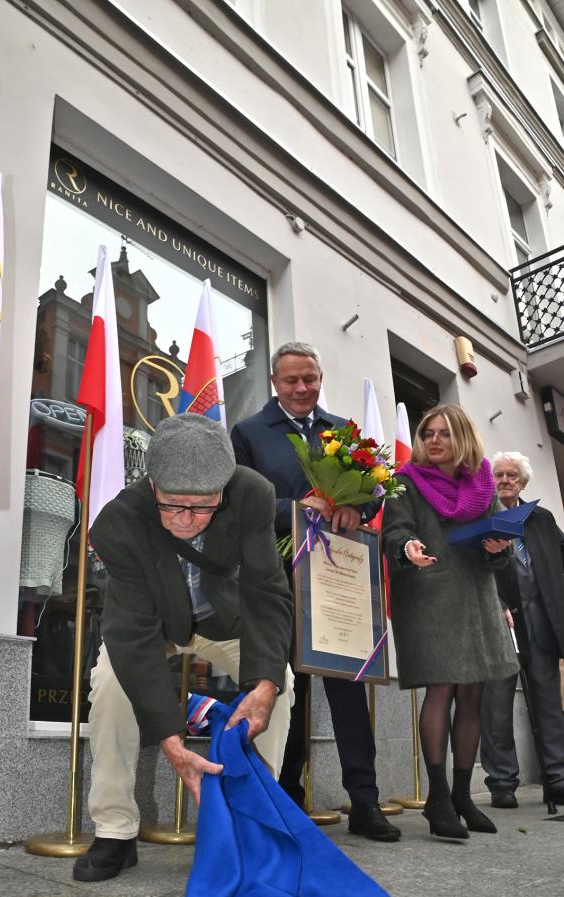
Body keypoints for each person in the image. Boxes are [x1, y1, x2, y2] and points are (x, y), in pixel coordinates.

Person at [73, 413, 294, 882]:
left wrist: (264, 685)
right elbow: (133, 637)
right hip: (155, 625)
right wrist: (173, 744)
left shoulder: (252, 494)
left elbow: (266, 592)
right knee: (110, 685)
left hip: (225, 619)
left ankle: (257, 825)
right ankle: (115, 830)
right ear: (152, 484)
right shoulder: (119, 522)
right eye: (173, 504)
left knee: (279, 684)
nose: (187, 519)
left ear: (224, 489)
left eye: (203, 505)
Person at [231, 341, 400, 842]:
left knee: (348, 692)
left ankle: (365, 801)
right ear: (275, 383)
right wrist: (294, 507)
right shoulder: (249, 432)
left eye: (310, 378)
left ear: (319, 378)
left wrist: (356, 508)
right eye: (292, 380)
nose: (302, 388)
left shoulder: (342, 432)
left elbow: (375, 491)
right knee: (288, 689)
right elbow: (239, 502)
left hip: (337, 578)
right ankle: (286, 795)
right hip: (279, 580)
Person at [382, 405, 518, 839]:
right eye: (428, 433)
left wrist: (498, 548)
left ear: (462, 438)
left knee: (473, 693)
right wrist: (408, 547)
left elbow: (500, 549)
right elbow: (393, 533)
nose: (434, 440)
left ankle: (462, 796)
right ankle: (438, 798)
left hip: (477, 598)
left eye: (444, 433)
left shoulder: (482, 482)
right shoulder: (405, 481)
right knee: (441, 688)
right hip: (429, 597)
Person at [480, 452, 564, 807]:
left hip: (541, 621)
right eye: (498, 474)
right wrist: (495, 603)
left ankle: (557, 777)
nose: (504, 480)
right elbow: (475, 567)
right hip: (500, 621)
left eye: (511, 475)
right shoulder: (483, 517)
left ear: (523, 482)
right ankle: (502, 782)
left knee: (549, 703)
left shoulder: (541, 518)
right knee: (496, 706)